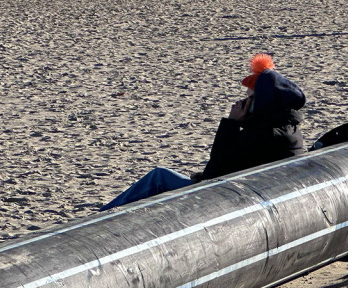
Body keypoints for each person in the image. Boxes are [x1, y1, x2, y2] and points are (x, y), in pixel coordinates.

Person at [101, 54, 307, 209]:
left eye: (249, 98)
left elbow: (214, 172)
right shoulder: (287, 128)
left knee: (159, 177)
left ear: (263, 102)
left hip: (231, 203)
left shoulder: (264, 134)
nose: (243, 102)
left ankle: (101, 217)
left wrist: (231, 123)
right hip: (256, 196)